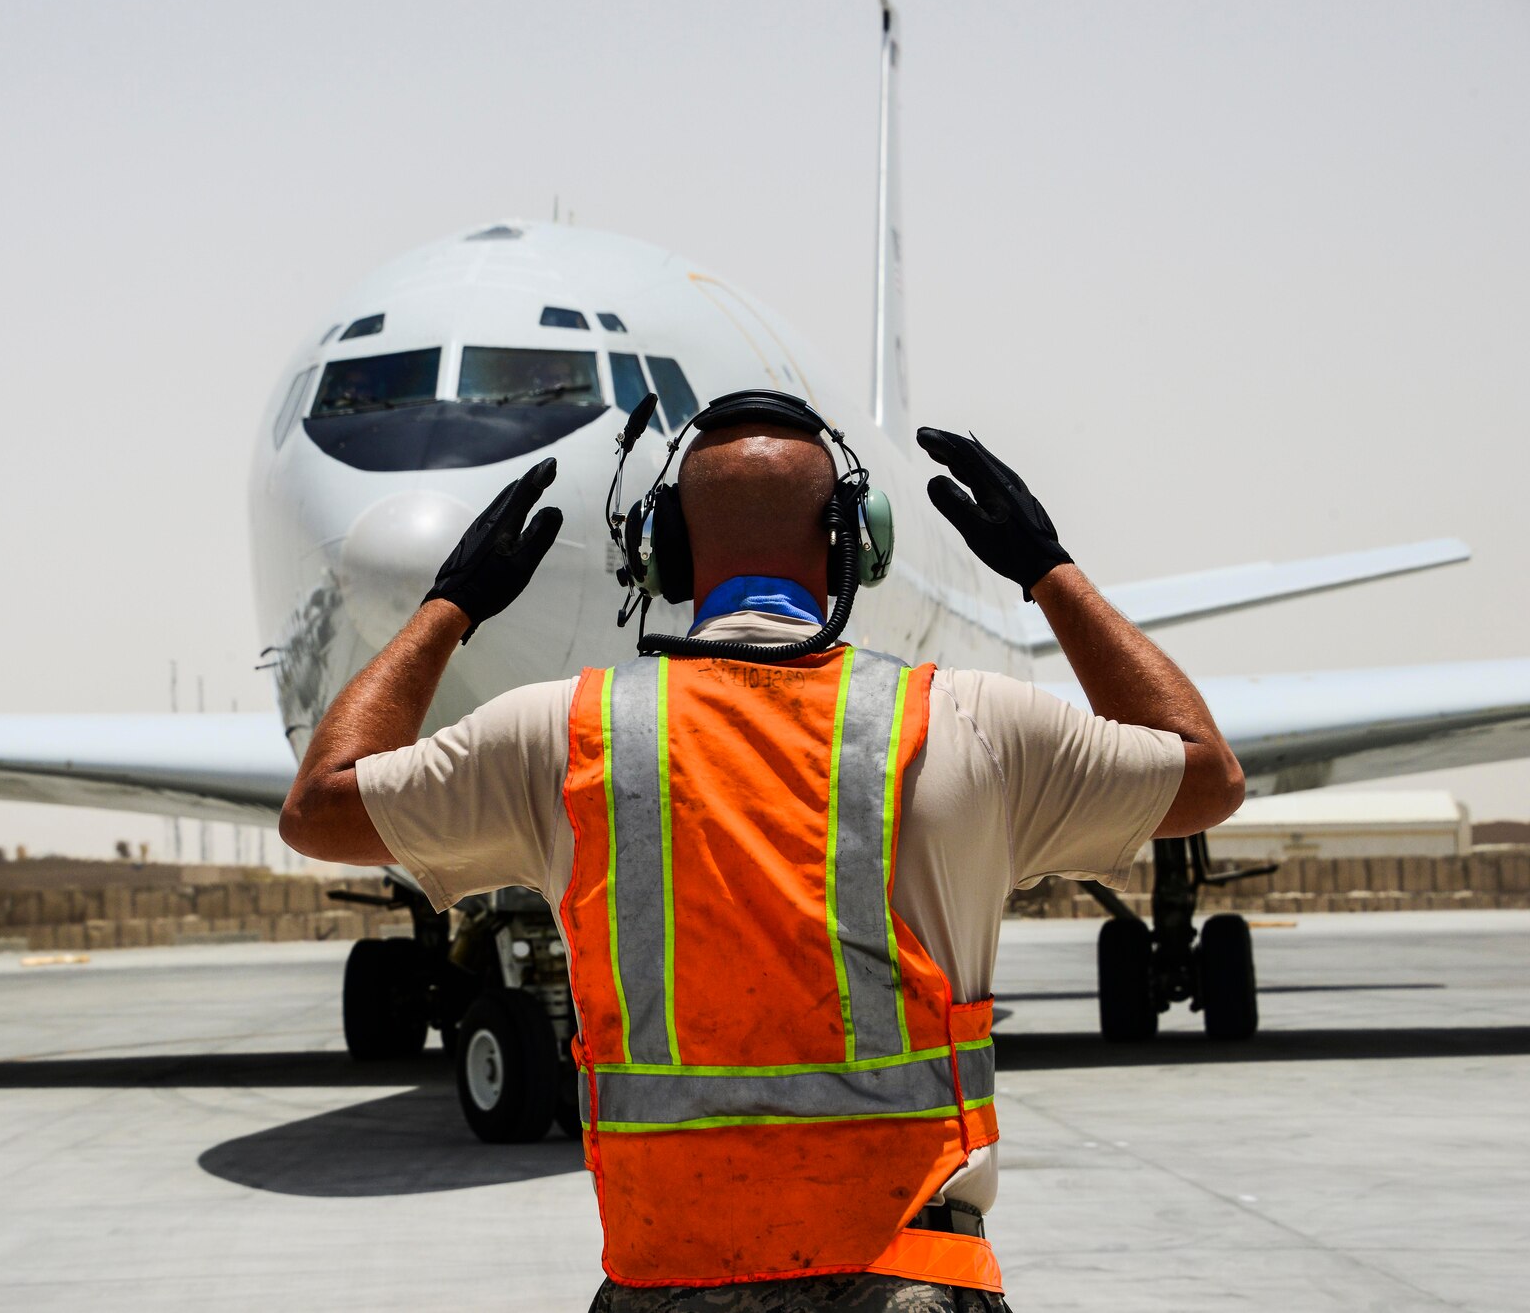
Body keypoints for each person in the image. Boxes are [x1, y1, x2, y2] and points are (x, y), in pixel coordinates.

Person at [280, 396, 1244, 1312]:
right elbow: (1208, 776)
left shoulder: (564, 736)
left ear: (665, 554)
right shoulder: (964, 725)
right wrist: (1048, 571)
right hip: (908, 1275)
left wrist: (450, 604)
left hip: (663, 1284)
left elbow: (320, 810)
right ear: (855, 547)